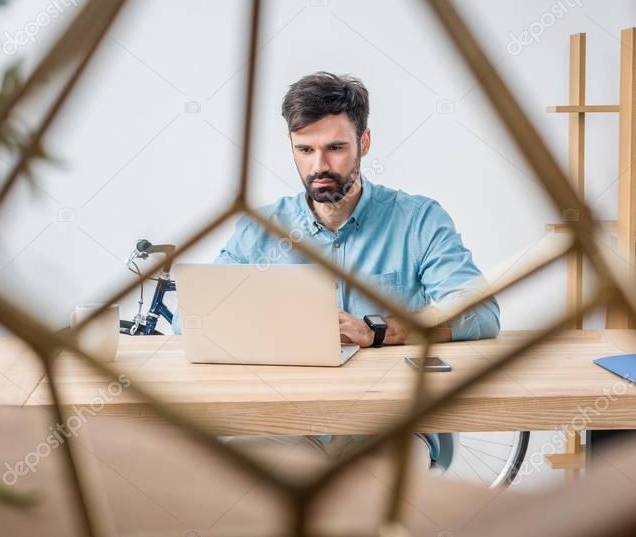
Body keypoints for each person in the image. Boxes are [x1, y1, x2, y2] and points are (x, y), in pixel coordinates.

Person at [175, 71, 500, 469]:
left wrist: (379, 329)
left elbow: (480, 313)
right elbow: (192, 322)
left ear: (364, 142)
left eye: (335, 147)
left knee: (362, 510)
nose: (319, 165)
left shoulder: (419, 220)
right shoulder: (261, 230)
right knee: (232, 492)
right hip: (287, 426)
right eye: (305, 150)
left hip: (389, 426)